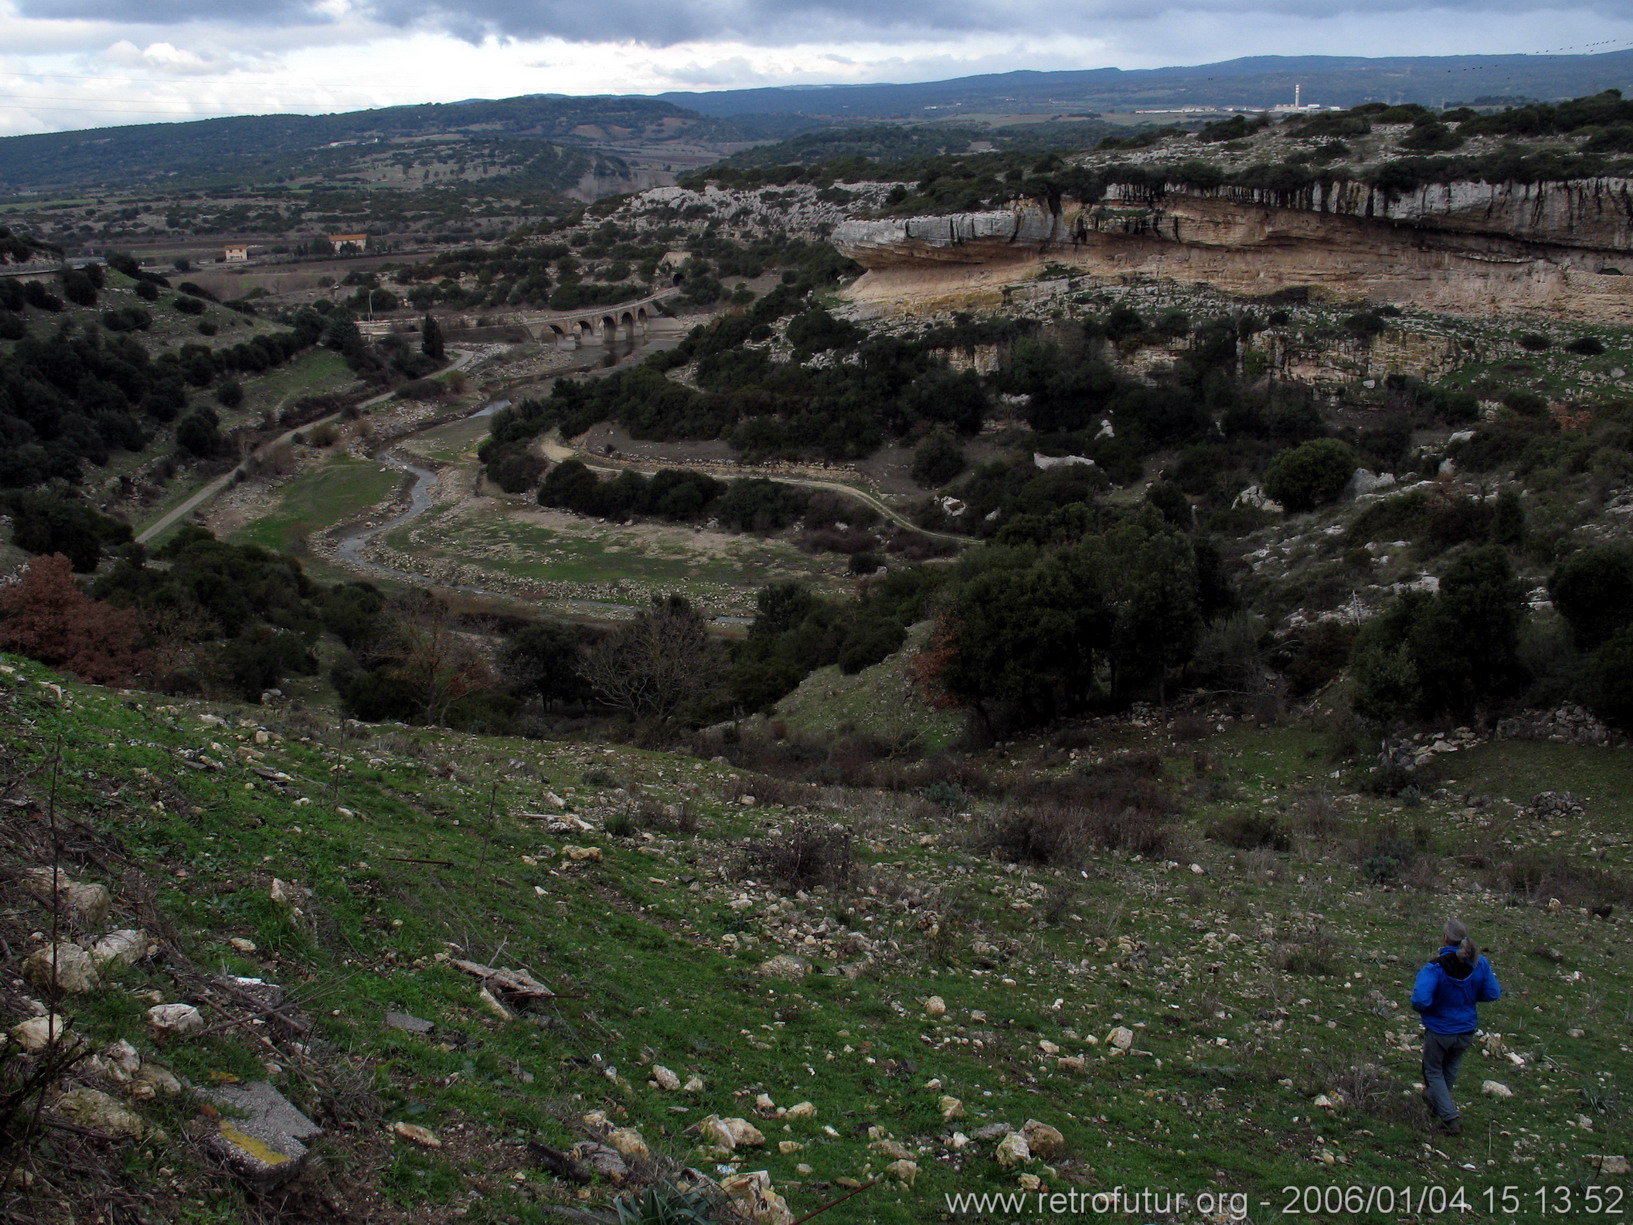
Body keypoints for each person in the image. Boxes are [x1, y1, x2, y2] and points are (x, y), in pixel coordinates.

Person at [1410, 919, 1501, 1136]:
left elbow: (1420, 1000)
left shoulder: (1436, 967)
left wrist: (1435, 1007)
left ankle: (1449, 1117)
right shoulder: (1480, 964)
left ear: (1445, 938)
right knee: (1449, 1070)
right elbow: (1492, 993)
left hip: (1440, 1030)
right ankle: (1438, 1106)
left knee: (1433, 1071)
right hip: (1465, 1030)